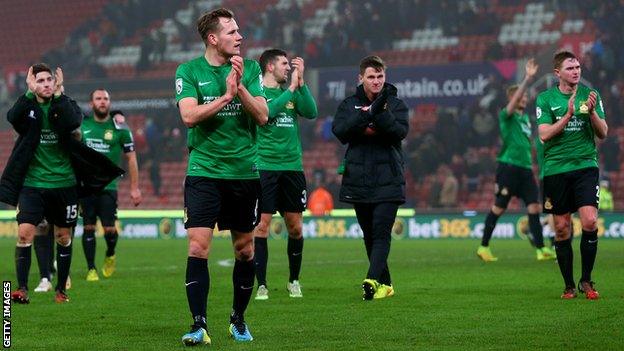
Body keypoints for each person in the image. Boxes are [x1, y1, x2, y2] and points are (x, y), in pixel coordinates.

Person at [175, 8, 268, 345]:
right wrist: (225, 97)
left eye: (239, 30)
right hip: (204, 172)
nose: (239, 36)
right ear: (213, 38)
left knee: (245, 251)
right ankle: (199, 324)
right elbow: (188, 116)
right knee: (198, 246)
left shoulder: (252, 68)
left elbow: (262, 115)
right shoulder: (189, 71)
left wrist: (239, 88)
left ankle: (238, 320)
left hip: (244, 173)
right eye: (231, 32)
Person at [0, 63, 122, 304]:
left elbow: (73, 121)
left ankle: (60, 290)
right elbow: (12, 118)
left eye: (49, 80)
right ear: (33, 83)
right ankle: (22, 289)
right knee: (25, 233)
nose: (45, 84)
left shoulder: (66, 105)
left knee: (63, 237)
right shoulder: (29, 108)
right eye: (41, 80)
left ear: (55, 84)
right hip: (33, 185)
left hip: (64, 185)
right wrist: (27, 92)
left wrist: (59, 95)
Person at [332, 55, 408, 300]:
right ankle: (385, 284)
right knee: (368, 234)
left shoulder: (396, 104)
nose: (376, 81)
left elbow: (399, 132)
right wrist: (367, 116)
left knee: (381, 232)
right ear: (361, 78)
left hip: (389, 179)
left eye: (380, 76)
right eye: (371, 77)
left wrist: (380, 111)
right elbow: (341, 131)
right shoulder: (348, 104)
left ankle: (372, 279)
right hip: (358, 179)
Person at [536, 51, 608, 299]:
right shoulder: (545, 99)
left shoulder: (591, 96)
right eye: (570, 68)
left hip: (586, 166)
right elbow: (544, 135)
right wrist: (567, 115)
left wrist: (592, 113)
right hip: (556, 169)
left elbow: (603, 133)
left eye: (578, 67)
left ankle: (586, 281)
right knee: (563, 229)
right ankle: (568, 285)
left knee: (589, 222)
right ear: (558, 73)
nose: (576, 71)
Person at [253, 49, 318, 301]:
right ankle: (262, 285)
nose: (287, 68)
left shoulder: (289, 91)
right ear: (270, 66)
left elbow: (311, 112)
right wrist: (291, 89)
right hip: (265, 167)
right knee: (262, 226)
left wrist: (301, 85)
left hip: (292, 167)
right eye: (283, 64)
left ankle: (293, 280)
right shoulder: (258, 93)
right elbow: (266, 114)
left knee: (295, 227)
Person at [477, 59, 556, 262]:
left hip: (526, 169)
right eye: (521, 95)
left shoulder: (525, 119)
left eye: (526, 96)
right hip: (508, 167)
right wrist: (527, 80)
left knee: (535, 207)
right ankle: (483, 247)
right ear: (513, 98)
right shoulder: (506, 115)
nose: (525, 97)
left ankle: (540, 249)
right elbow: (513, 103)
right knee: (499, 208)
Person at [79, 89, 142, 281]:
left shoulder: (121, 129)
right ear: (91, 103)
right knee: (88, 227)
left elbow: (131, 159)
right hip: (87, 186)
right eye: (98, 98)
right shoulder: (82, 126)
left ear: (110, 103)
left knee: (109, 229)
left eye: (106, 98)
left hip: (109, 187)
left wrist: (134, 187)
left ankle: (110, 253)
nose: (102, 102)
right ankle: (91, 269)